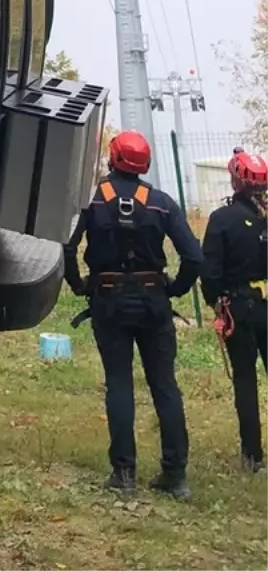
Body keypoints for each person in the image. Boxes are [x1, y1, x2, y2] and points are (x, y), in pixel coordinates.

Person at [63, 129, 202, 499]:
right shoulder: (161, 203)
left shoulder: (91, 201)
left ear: (113, 157)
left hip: (108, 298)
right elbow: (193, 256)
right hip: (154, 300)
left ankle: (124, 474)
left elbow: (67, 245)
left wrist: (79, 284)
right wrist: (174, 288)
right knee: (164, 385)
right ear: (145, 163)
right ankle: (175, 475)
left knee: (119, 383)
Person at [201, 148, 268, 472]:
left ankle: (252, 456)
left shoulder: (222, 219)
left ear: (235, 180)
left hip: (238, 309)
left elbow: (210, 272)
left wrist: (216, 303)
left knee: (245, 380)